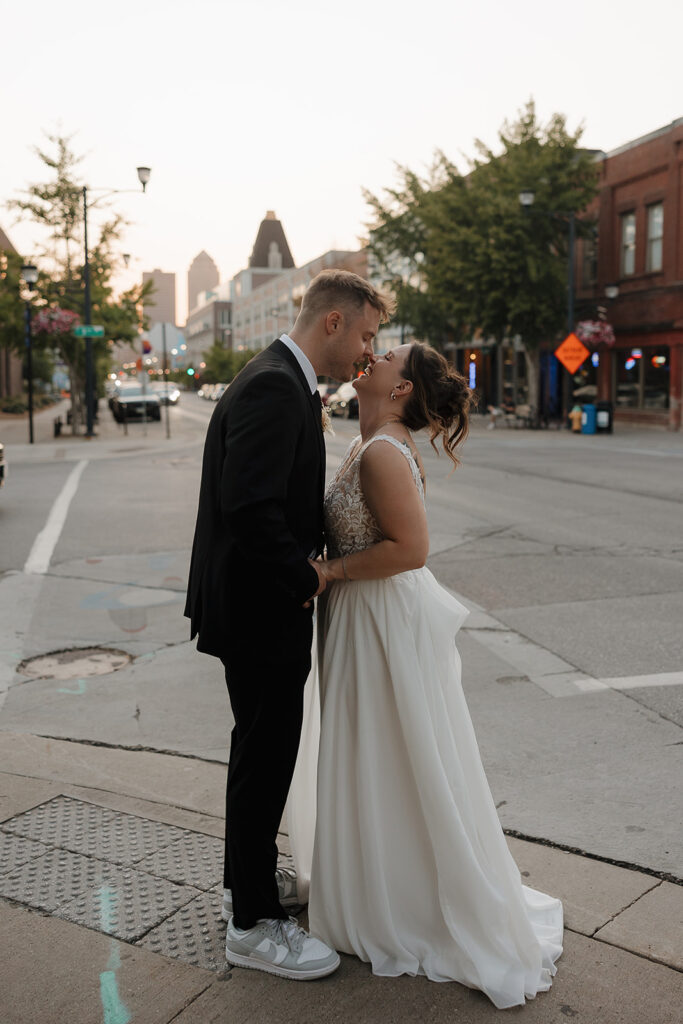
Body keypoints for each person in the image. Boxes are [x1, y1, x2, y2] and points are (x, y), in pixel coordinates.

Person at [288, 342, 563, 1008]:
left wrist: (328, 571)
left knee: (393, 748)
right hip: (362, 615)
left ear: (402, 386)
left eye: (382, 357)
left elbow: (409, 550)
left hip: (378, 612)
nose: (369, 356)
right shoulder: (373, 438)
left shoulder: (384, 451)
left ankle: (402, 900)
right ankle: (375, 878)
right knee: (379, 749)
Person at [184, 269, 393, 980]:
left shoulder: (278, 378)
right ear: (331, 322)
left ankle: (241, 882)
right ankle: (251, 925)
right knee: (265, 756)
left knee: (258, 752)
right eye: (363, 335)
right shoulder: (276, 384)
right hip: (259, 607)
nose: (366, 353)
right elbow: (249, 510)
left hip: (251, 604)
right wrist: (306, 576)